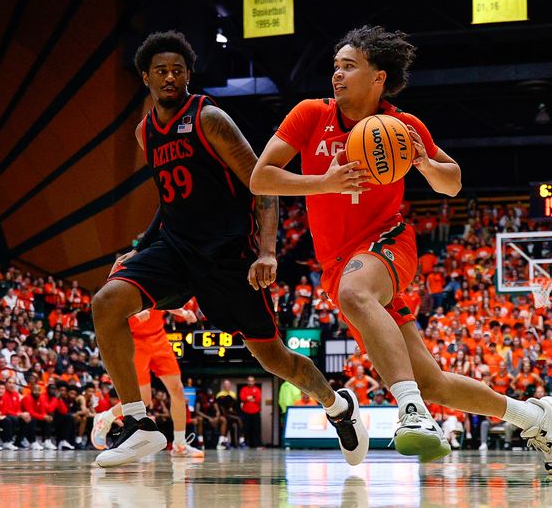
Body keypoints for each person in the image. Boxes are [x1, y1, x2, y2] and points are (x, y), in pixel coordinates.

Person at [252, 25, 552, 473]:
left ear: (378, 77)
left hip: (387, 242)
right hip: (337, 262)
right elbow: (261, 177)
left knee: (355, 293)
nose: (337, 76)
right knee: (434, 382)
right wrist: (323, 183)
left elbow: (453, 182)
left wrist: (422, 161)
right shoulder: (309, 114)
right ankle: (535, 417)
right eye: (335, 67)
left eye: (348, 67)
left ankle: (411, 413)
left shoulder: (402, 126)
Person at [91, 30, 367, 468]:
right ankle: (138, 423)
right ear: (145, 77)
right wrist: (140, 248)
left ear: (188, 75)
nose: (169, 78)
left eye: (177, 71)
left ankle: (338, 407)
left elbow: (264, 183)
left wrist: (268, 252)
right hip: (176, 249)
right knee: (106, 302)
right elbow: (169, 200)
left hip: (230, 256)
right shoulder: (146, 132)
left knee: (275, 359)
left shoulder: (209, 119)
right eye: (160, 71)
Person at [90, 309, 203, 458]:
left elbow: (162, 299)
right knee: (143, 400)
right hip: (135, 340)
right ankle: (105, 418)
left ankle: (180, 445)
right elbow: (111, 312)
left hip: (159, 338)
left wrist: (182, 312)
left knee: (178, 390)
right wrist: (132, 314)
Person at [239, 376, 262, 448]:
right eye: (249, 381)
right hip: (246, 412)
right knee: (246, 429)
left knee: (256, 429)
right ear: (247, 382)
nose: (250, 382)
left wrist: (249, 398)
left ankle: (256, 444)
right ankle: (247, 443)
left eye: (252, 381)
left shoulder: (257, 389)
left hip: (255, 412)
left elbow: (258, 399)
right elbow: (242, 398)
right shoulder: (244, 389)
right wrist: (251, 397)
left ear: (254, 382)